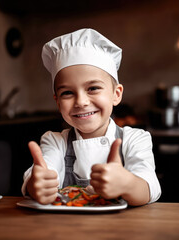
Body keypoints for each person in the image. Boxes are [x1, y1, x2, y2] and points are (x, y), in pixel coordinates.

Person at [21, 28, 161, 206]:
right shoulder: (55, 142)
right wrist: (38, 185)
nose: (81, 101)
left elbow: (149, 189)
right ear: (57, 102)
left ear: (116, 94)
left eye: (93, 88)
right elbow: (42, 174)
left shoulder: (135, 139)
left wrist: (127, 183)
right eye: (67, 93)